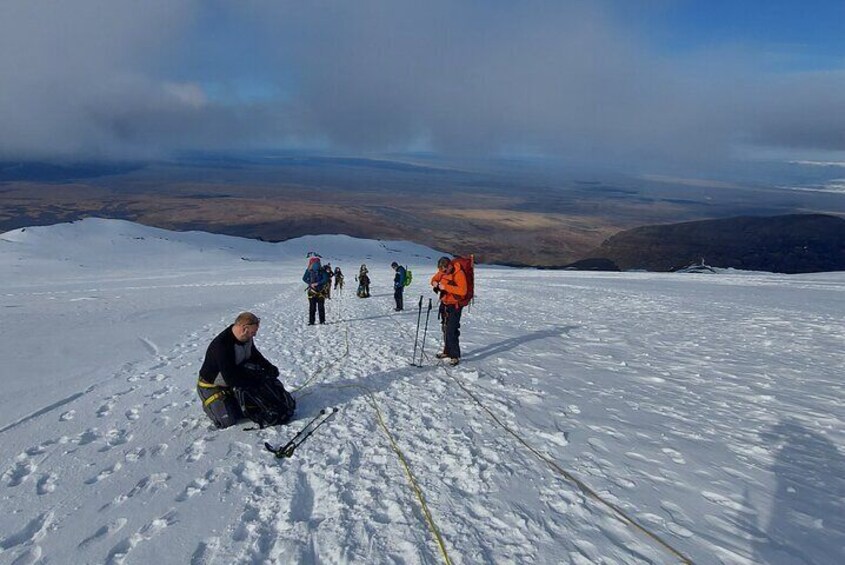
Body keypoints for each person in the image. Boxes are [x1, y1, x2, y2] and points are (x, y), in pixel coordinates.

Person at [196, 312, 280, 428]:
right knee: (228, 421)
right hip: (212, 385)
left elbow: (254, 355)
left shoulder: (246, 337)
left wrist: (269, 367)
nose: (254, 335)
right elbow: (231, 378)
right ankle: (211, 405)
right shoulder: (222, 346)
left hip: (234, 376)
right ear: (244, 328)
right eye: (253, 332)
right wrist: (254, 383)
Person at [430, 256, 468, 366]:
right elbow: (433, 279)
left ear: (449, 266)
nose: (442, 272)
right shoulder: (442, 271)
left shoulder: (459, 273)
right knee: (445, 328)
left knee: (452, 330)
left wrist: (445, 286)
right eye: (441, 270)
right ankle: (447, 351)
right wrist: (435, 284)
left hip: (454, 305)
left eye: (444, 270)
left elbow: (463, 290)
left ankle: (455, 355)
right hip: (445, 303)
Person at [303, 256, 330, 324]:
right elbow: (304, 278)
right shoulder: (311, 271)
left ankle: (317, 321)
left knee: (315, 307)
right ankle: (318, 321)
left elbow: (326, 279)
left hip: (316, 291)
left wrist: (314, 284)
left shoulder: (319, 271)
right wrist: (312, 283)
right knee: (316, 307)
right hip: (316, 291)